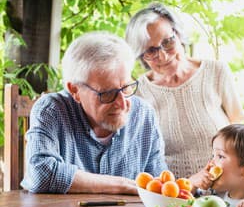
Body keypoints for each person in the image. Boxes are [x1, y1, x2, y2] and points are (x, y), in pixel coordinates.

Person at [21, 31, 168, 194]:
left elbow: (159, 187)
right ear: (75, 90)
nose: (122, 103)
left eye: (126, 88)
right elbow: (41, 173)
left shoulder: (144, 115)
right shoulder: (52, 110)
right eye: (107, 93)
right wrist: (121, 185)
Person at [125, 3, 244, 189]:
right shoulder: (138, 93)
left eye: (167, 42)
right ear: (141, 56)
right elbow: (141, 160)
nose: (163, 56)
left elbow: (242, 131)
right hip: (174, 199)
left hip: (227, 190)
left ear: (179, 35)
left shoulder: (216, 72)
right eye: (151, 50)